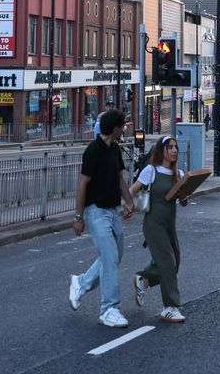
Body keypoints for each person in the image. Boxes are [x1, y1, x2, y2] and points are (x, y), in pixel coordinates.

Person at [69, 109, 135, 328]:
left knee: (113, 258)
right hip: (96, 211)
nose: (125, 128)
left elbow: (120, 178)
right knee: (109, 258)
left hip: (112, 210)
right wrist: (79, 217)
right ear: (115, 128)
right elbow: (82, 184)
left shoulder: (115, 149)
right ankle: (109, 309)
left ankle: (81, 282)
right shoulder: (93, 150)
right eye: (123, 126)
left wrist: (128, 201)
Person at [130, 135, 190, 323]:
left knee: (175, 261)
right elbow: (133, 189)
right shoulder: (151, 170)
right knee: (167, 261)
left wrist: (184, 194)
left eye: (176, 148)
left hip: (169, 224)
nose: (174, 151)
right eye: (170, 147)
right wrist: (126, 204)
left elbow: (184, 202)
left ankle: (144, 280)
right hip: (153, 223)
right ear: (162, 150)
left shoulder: (179, 174)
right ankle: (170, 307)